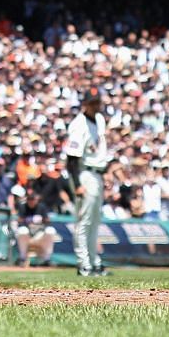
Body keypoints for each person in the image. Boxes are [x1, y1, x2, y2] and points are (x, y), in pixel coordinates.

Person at [63, 87, 111, 276]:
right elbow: (71, 159)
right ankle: (84, 264)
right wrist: (77, 185)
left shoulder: (99, 120)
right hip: (84, 174)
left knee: (95, 221)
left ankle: (94, 262)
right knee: (84, 221)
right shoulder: (78, 124)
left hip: (97, 174)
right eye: (93, 102)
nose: (97, 105)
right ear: (85, 104)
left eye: (98, 101)